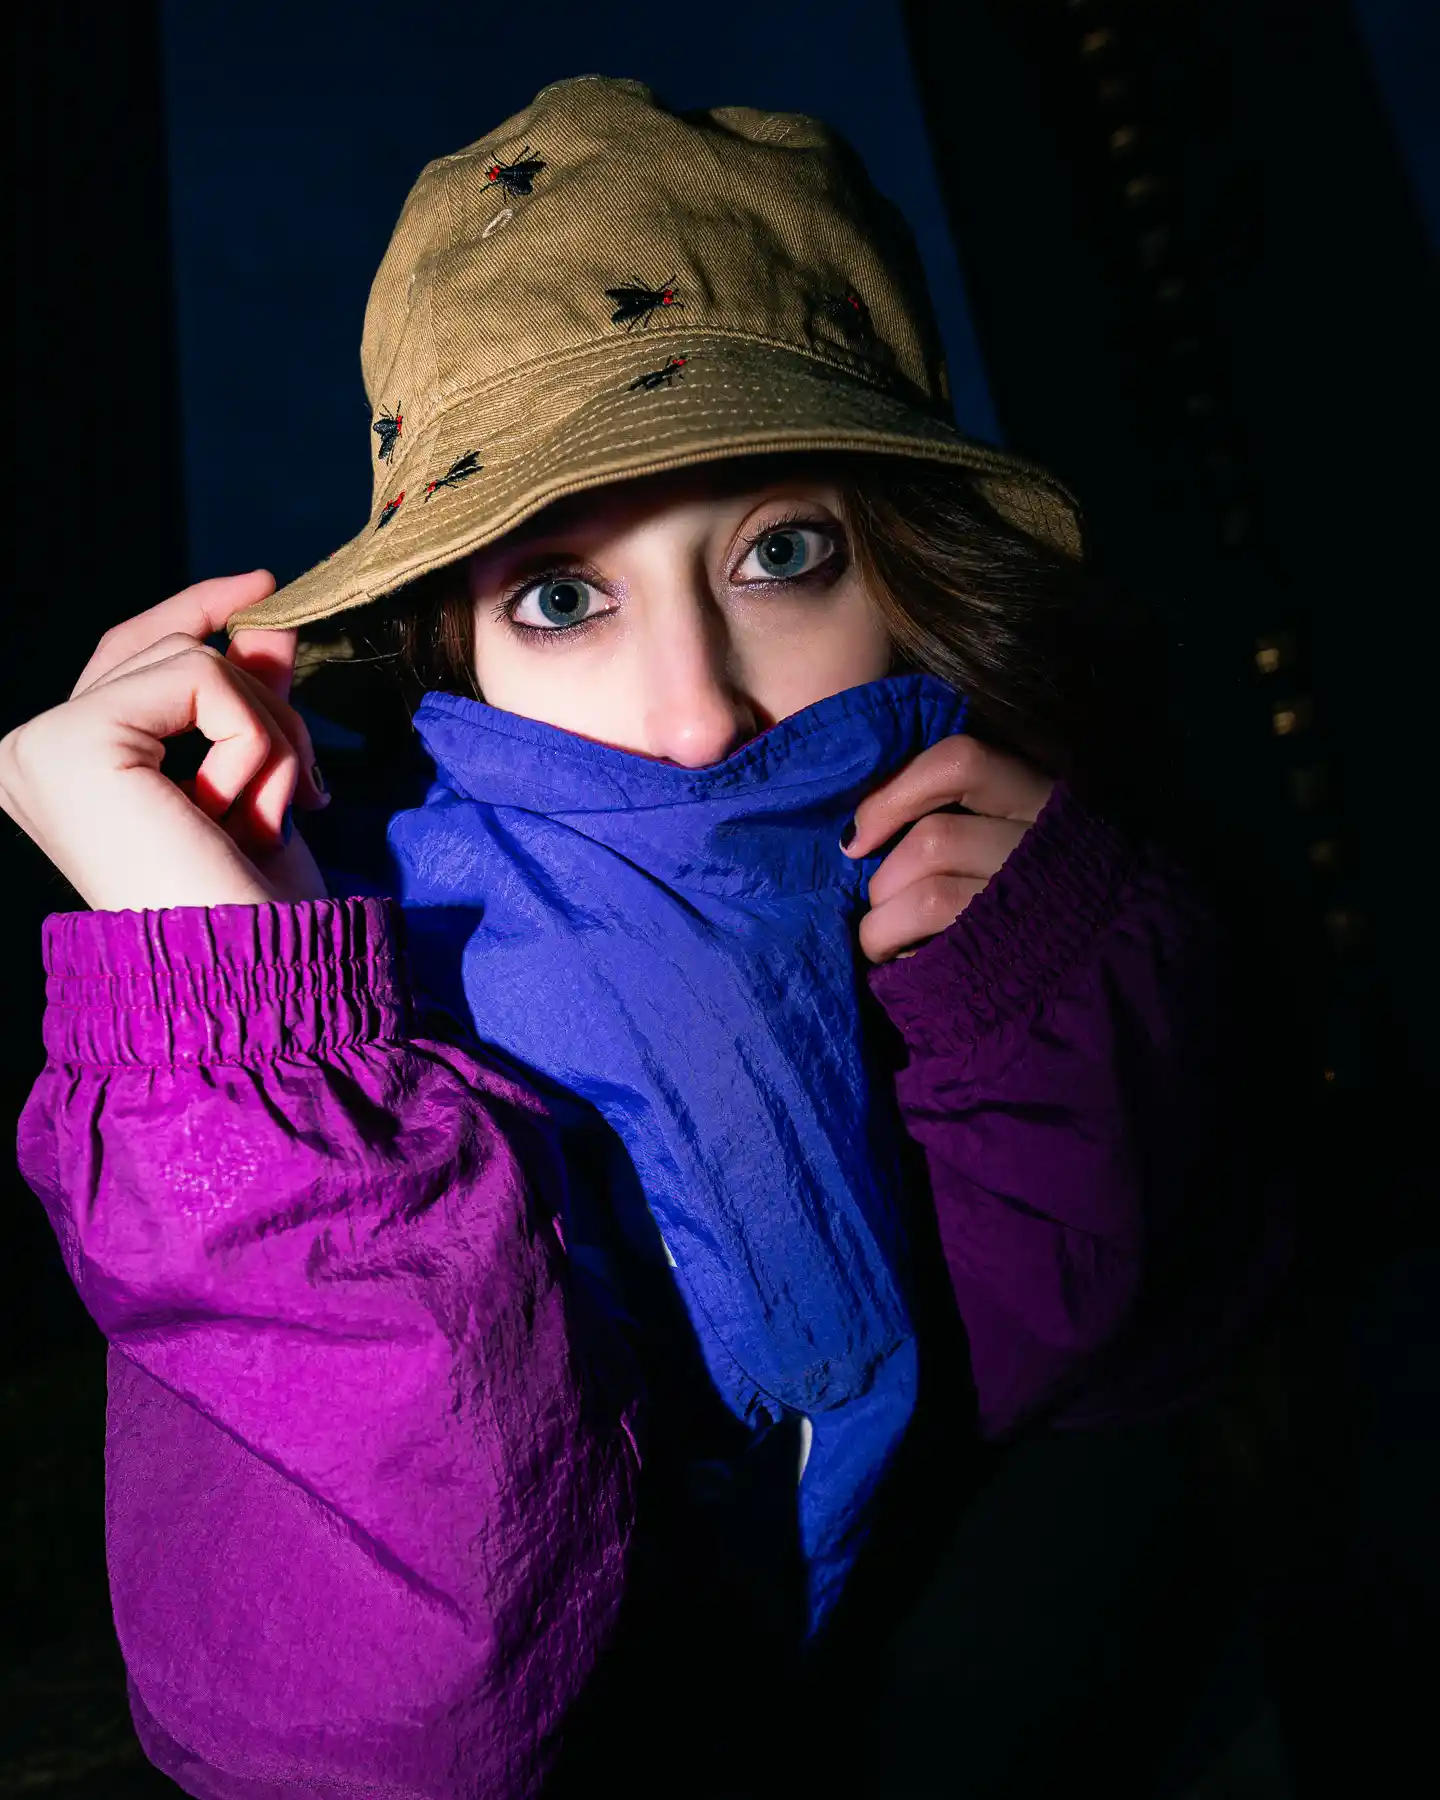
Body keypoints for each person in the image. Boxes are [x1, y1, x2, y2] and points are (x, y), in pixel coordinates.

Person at [2, 77, 1291, 1800]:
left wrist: (1052, 1000)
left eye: (781, 553)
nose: (693, 713)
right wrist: (250, 1049)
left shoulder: (955, 869)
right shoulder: (416, 975)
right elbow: (379, 1733)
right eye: (561, 594)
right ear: (460, 638)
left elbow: (1073, 1392)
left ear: (906, 566)